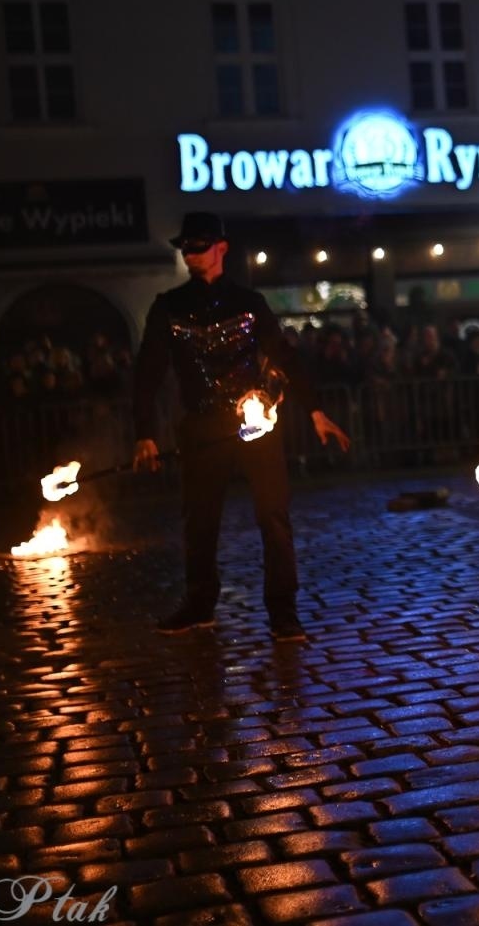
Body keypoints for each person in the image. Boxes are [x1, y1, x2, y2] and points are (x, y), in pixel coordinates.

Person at [133, 212, 349, 641]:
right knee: (200, 521)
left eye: (199, 245)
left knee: (273, 516)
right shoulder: (168, 306)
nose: (191, 254)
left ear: (221, 248)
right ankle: (199, 605)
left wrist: (316, 411)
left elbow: (285, 357)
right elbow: (148, 374)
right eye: (186, 247)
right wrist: (145, 433)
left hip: (255, 425)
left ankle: (283, 612)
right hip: (200, 427)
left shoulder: (250, 303)